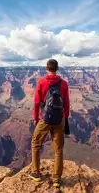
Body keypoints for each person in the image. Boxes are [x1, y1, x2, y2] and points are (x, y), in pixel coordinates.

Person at [29, 59, 70, 188]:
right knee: (58, 150)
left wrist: (36, 118)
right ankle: (56, 179)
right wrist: (65, 118)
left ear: (47, 68)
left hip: (45, 120)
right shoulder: (63, 84)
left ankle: (36, 173)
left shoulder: (41, 82)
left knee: (36, 144)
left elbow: (36, 103)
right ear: (57, 68)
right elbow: (67, 103)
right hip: (59, 120)